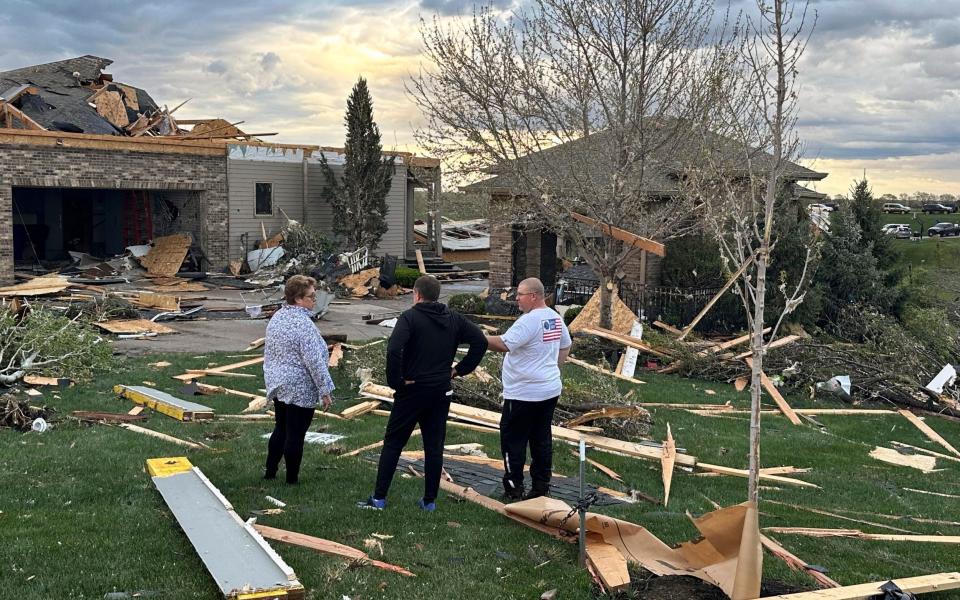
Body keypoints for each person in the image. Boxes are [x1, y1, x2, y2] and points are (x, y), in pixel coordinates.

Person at [360, 275, 487, 512]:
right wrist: (459, 370)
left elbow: (394, 349)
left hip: (412, 389)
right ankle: (429, 501)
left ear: (416, 294)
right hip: (440, 390)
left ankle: (379, 499)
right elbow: (480, 341)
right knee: (434, 445)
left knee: (394, 443)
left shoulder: (410, 317)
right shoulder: (453, 319)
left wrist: (396, 381)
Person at [485, 277, 571, 500]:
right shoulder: (554, 318)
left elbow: (504, 344)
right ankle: (541, 487)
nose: (516, 299)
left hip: (523, 394)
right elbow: (566, 345)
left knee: (513, 441)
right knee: (541, 439)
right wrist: (552, 368)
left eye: (520, 294)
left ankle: (514, 488)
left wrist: (475, 337)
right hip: (548, 390)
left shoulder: (529, 321)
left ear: (533, 296)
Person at [263, 275, 334, 484]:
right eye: (311, 296)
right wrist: (325, 390)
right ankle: (292, 479)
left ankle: (270, 472)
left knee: (281, 427)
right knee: (296, 433)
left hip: (279, 382)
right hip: (299, 385)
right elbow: (314, 361)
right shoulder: (304, 325)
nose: (315, 300)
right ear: (298, 299)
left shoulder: (278, 317)